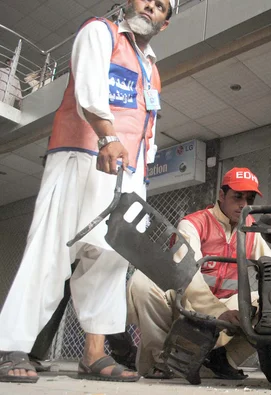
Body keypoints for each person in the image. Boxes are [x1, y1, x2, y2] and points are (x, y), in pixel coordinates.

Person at [0, 0, 173, 383]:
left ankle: (93, 355)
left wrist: (140, 177)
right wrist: (107, 136)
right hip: (82, 154)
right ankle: (11, 344)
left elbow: (149, 127)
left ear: (164, 23)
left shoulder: (152, 69)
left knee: (111, 258)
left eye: (161, 6)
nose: (150, 6)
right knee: (52, 246)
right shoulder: (100, 31)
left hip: (128, 173)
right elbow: (89, 88)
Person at [126, 167, 271, 379]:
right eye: (237, 197)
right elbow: (187, 276)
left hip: (222, 311)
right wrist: (216, 311)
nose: (244, 204)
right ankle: (162, 361)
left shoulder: (250, 229)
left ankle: (222, 359)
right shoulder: (193, 224)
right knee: (142, 282)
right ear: (222, 196)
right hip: (184, 306)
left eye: (249, 198)